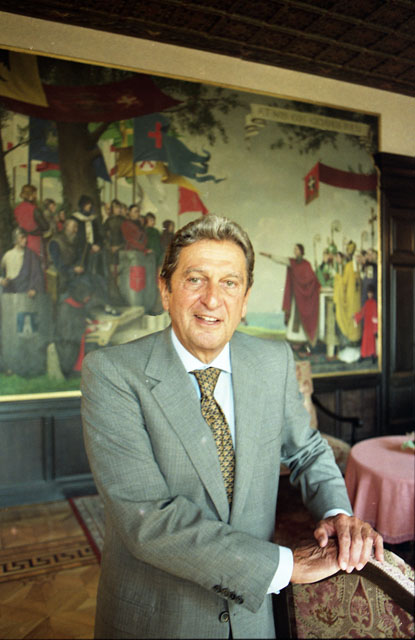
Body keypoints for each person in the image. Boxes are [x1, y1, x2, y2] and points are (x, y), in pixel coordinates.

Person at [81, 215, 383, 640]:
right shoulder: (112, 373)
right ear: (165, 290)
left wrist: (337, 515)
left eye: (229, 283)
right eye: (195, 280)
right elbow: (146, 521)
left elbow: (307, 450)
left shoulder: (273, 361)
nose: (212, 299)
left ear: (244, 299)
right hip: (159, 619)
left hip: (252, 621)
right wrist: (288, 566)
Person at [260, 244, 320, 351]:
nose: (295, 251)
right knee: (294, 317)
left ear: (301, 251)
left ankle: (302, 342)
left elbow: (312, 279)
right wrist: (269, 256)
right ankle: (294, 341)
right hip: (296, 297)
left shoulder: (306, 264)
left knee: (302, 320)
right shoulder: (292, 262)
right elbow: (281, 260)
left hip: (305, 299)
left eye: (296, 249)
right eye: (294, 249)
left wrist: (309, 288)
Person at [0, 227, 45, 296]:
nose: (25, 240)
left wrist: (34, 289)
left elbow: (38, 275)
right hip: (9, 294)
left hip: (25, 294)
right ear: (15, 239)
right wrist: (1, 280)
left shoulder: (31, 256)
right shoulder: (7, 255)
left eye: (26, 237)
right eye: (22, 238)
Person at [13, 184, 49, 261]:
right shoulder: (34, 209)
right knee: (36, 263)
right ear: (31, 195)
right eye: (35, 194)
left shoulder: (17, 209)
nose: (36, 196)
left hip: (21, 240)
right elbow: (45, 227)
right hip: (35, 241)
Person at [354, 284, 378, 362]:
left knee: (372, 342)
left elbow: (375, 315)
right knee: (365, 341)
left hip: (372, 325)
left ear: (373, 294)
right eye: (368, 293)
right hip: (366, 325)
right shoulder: (366, 303)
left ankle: (373, 356)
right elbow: (362, 312)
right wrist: (355, 316)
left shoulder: (374, 303)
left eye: (371, 293)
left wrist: (375, 328)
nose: (369, 294)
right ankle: (363, 355)